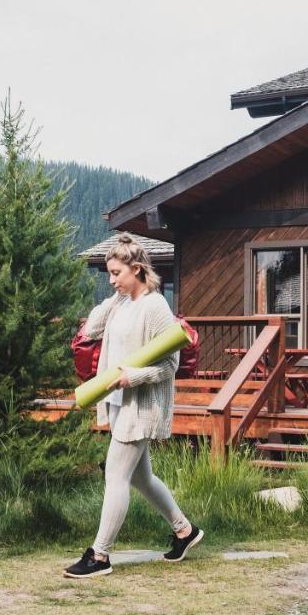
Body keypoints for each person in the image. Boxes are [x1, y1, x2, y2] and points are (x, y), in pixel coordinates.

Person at [63, 235, 203, 579]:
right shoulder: (122, 303)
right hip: (117, 402)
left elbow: (169, 366)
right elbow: (91, 329)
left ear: (136, 269)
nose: (111, 279)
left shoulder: (155, 307)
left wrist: (133, 378)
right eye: (109, 274)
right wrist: (115, 295)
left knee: (116, 476)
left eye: (116, 273)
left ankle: (100, 555)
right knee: (142, 477)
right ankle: (185, 531)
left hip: (140, 403)